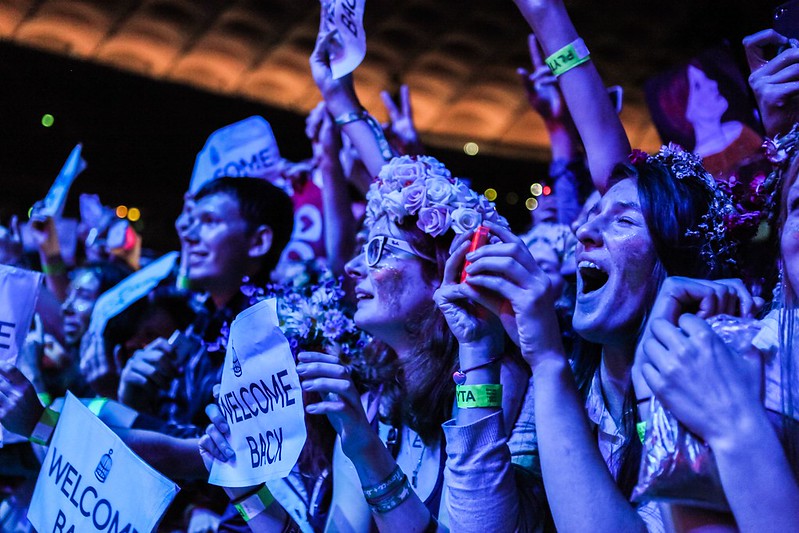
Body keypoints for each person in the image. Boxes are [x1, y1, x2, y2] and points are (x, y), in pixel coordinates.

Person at [434, 1, 764, 531]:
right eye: (591, 216)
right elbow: (482, 526)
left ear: (676, 261)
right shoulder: (578, 375)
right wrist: (477, 349)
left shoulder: (705, 383)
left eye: (625, 221)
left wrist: (544, 359)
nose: (584, 230)